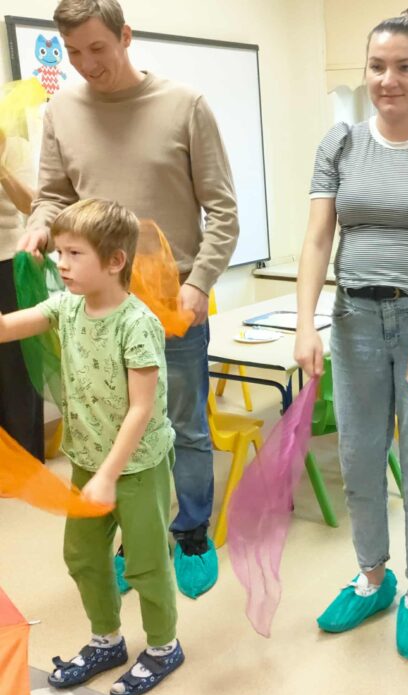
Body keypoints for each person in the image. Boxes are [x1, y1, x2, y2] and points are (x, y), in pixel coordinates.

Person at [18, 0, 239, 598]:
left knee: (184, 425)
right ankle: (136, 539)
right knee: (116, 429)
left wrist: (198, 284)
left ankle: (190, 531)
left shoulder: (185, 106)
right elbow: (52, 195)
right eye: (73, 53)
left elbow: (223, 212)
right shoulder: (62, 111)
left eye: (98, 48)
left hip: (172, 304)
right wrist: (38, 226)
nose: (87, 64)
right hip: (97, 306)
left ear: (126, 36)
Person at [293, 8, 408, 659]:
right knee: (359, 457)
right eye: (377, 66)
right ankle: (373, 576)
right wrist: (306, 323)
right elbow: (318, 239)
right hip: (354, 324)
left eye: (404, 66)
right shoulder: (341, 145)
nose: (388, 79)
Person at [0, 198, 182, 695]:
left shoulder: (136, 323)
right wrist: (94, 473)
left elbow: (141, 409)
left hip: (137, 466)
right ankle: (107, 640)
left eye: (74, 254)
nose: (61, 264)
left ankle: (164, 646)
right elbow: (9, 327)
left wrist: (108, 475)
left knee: (145, 563)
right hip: (87, 460)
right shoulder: (66, 307)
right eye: (59, 252)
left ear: (115, 260)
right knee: (82, 557)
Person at [0, 125, 43, 460]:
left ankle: (25, 462)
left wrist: (1, 170)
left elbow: (32, 205)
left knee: (16, 367)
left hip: (9, 264)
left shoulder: (14, 147)